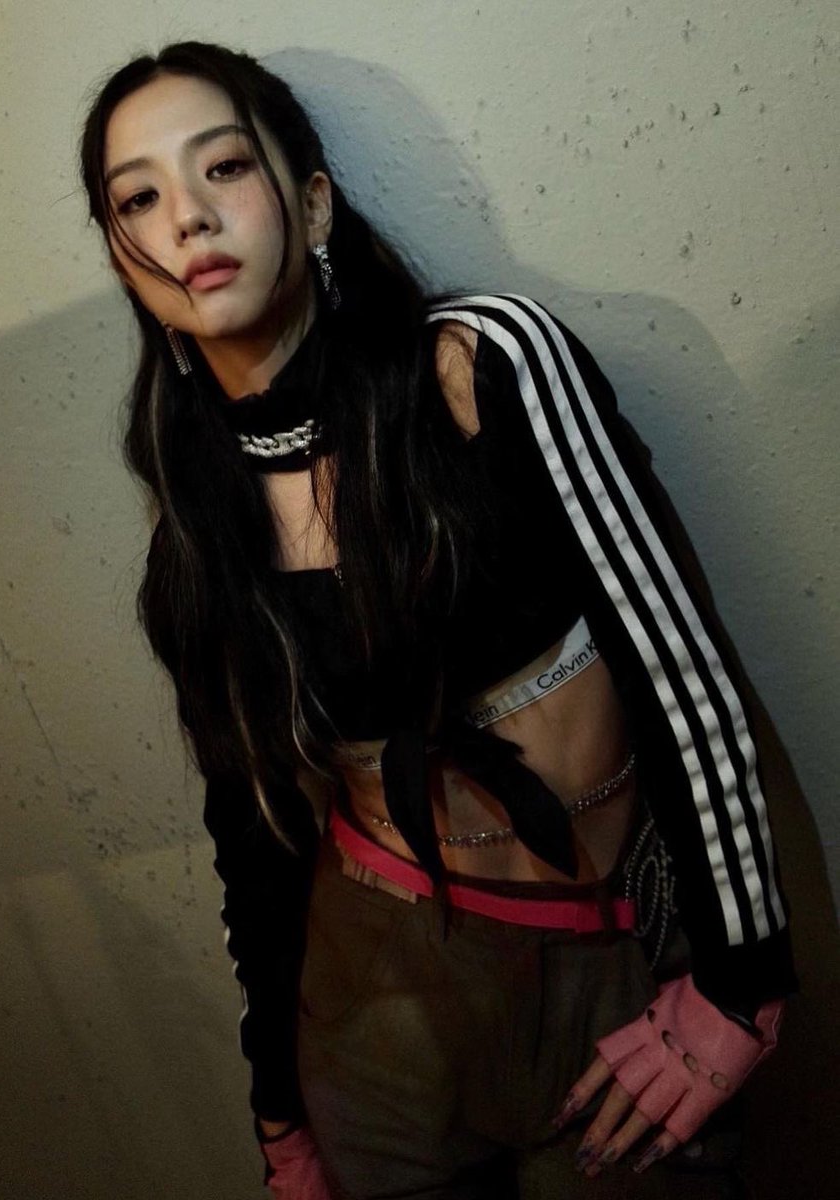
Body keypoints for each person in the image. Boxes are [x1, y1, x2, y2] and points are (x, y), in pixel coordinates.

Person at [80, 41, 795, 1199]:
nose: (187, 217)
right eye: (137, 200)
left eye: (224, 168)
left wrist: (740, 977)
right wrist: (277, 1113)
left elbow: (675, 661)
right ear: (124, 259)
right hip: (375, 1003)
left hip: (609, 959)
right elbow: (252, 835)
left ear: (313, 201)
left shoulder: (483, 363)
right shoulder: (197, 538)